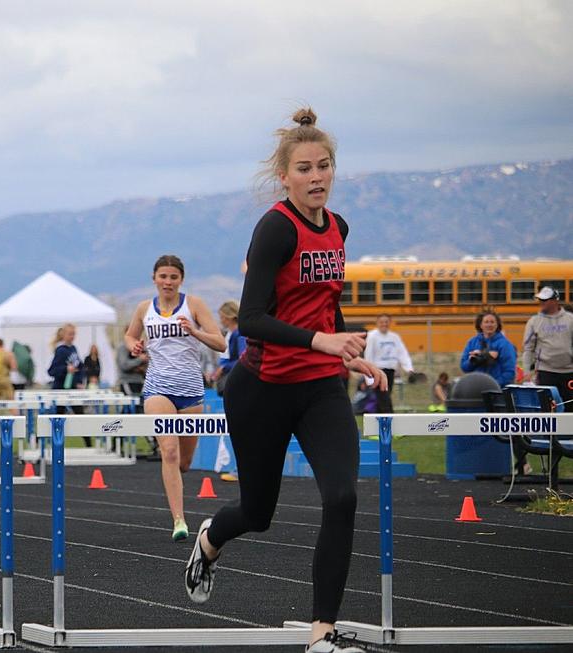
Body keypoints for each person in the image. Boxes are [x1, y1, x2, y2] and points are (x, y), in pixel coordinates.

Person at [183, 108, 386, 653]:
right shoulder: (275, 227)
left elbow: (325, 306)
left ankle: (323, 632)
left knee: (342, 497)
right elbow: (250, 321)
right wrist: (320, 341)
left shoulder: (339, 228)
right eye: (305, 169)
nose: (317, 177)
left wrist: (346, 353)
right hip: (262, 388)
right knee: (258, 512)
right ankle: (210, 538)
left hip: (321, 386)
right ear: (286, 177)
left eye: (324, 167)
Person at [125, 255, 226, 542]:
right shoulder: (144, 308)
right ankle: (179, 520)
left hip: (191, 391)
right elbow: (129, 336)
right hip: (158, 388)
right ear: (154, 278)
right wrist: (135, 345)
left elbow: (220, 342)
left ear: (181, 279)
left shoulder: (194, 305)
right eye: (163, 276)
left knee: (183, 461)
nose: (167, 282)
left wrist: (194, 331)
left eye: (173, 277)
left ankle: (177, 480)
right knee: (168, 451)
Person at [522, 286, 573, 406]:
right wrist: (526, 372)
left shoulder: (570, 319)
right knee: (547, 406)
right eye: (541, 300)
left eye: (545, 300)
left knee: (570, 406)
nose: (541, 303)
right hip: (545, 372)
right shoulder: (534, 321)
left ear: (555, 300)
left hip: (569, 371)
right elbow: (528, 348)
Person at [48, 324, 91, 446]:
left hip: (72, 391)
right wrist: (66, 369)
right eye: (70, 334)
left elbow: (81, 367)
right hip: (60, 391)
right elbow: (51, 371)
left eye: (74, 334)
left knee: (80, 417)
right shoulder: (60, 350)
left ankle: (89, 445)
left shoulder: (73, 349)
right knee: (57, 420)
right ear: (63, 335)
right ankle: (51, 446)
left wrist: (79, 381)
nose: (72, 337)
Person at [363, 314, 414, 413]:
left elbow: (402, 352)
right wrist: (368, 374)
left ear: (389, 323)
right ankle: (390, 416)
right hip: (378, 371)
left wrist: (408, 368)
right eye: (382, 322)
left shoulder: (394, 337)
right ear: (377, 323)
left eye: (386, 322)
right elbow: (368, 355)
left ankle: (378, 420)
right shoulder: (372, 336)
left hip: (390, 370)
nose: (384, 324)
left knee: (384, 396)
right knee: (384, 395)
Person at [460, 311, 517, 388]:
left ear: (497, 325)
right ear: (480, 325)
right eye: (486, 322)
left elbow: (509, 372)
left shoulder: (505, 345)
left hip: (497, 390)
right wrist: (472, 361)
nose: (489, 325)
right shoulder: (472, 342)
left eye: (492, 322)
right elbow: (464, 367)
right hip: (475, 388)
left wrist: (492, 385)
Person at [212, 300, 246, 396]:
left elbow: (242, 359)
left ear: (229, 317)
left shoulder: (239, 334)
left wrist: (224, 368)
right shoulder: (231, 334)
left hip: (237, 379)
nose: (221, 320)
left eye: (222, 317)